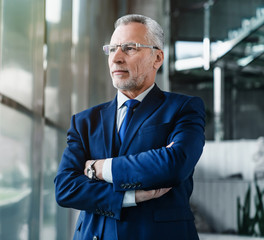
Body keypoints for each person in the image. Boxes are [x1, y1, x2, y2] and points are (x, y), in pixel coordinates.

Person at [54, 14, 205, 240]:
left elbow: (174, 164)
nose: (116, 58)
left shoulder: (183, 108)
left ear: (157, 58)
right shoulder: (85, 121)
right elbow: (66, 188)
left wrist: (99, 168)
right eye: (112, 48)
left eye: (129, 48)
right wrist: (129, 197)